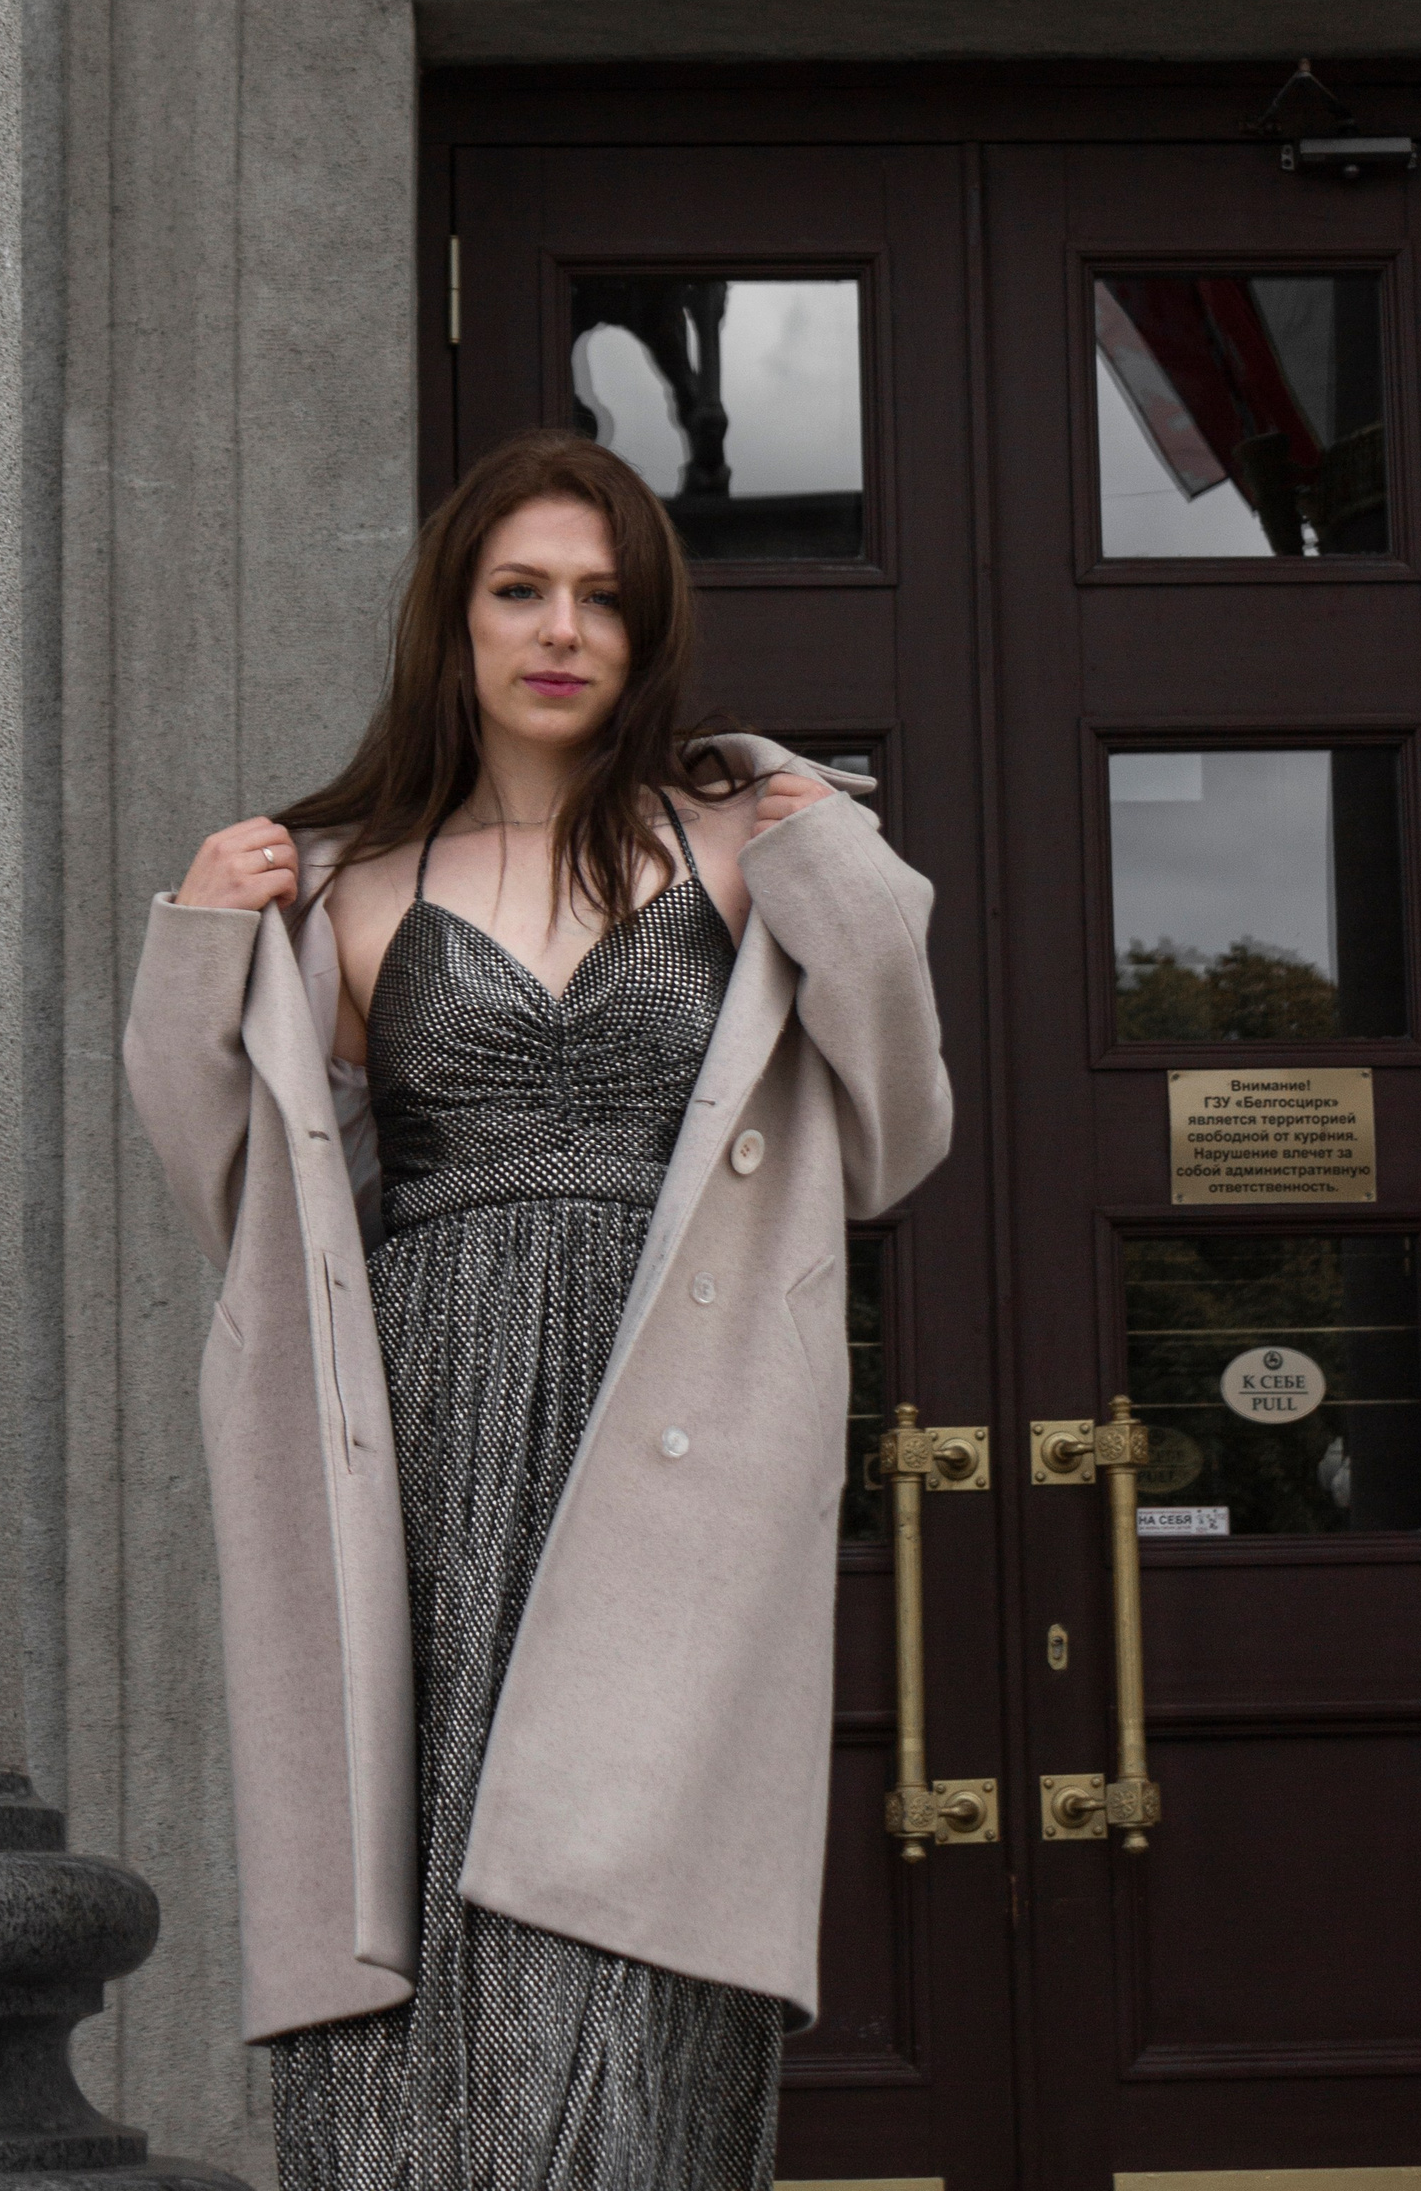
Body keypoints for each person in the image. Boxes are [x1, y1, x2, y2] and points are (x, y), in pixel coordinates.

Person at [124, 428, 953, 2191]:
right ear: (457, 619)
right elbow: (240, 1200)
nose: (562, 629)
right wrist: (199, 942)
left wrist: (837, 870)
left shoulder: (740, 849)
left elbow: (893, 1134)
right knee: (424, 1890)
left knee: (625, 1921)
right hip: (425, 1424)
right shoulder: (349, 883)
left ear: (649, 635)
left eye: (603, 597)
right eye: (521, 591)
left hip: (678, 1409)